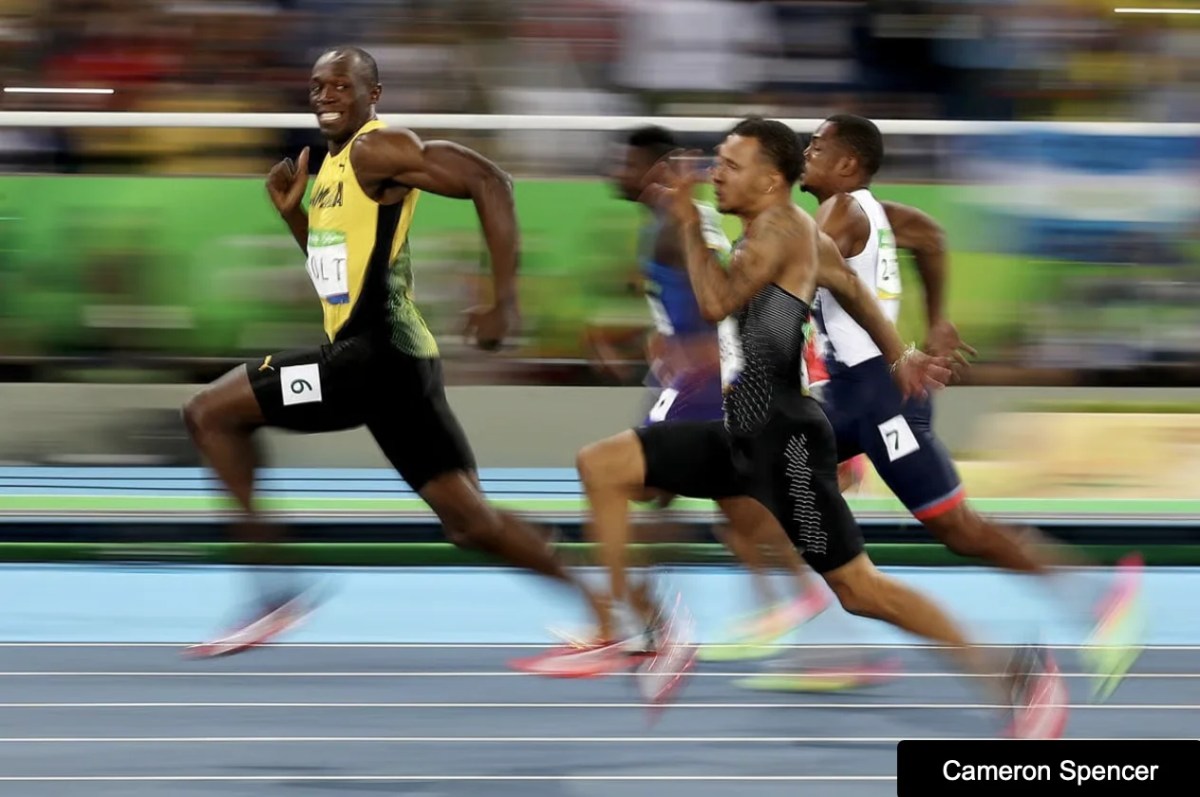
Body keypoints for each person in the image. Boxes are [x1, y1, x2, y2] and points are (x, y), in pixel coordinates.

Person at [519, 117, 1067, 738]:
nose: (715, 173)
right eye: (717, 162)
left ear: (771, 179)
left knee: (862, 592)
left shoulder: (780, 230)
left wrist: (687, 222)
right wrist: (901, 353)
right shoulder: (800, 234)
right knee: (603, 465)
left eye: (730, 164)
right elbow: (856, 295)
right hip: (742, 433)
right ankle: (638, 630)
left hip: (784, 445)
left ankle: (1013, 677)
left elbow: (716, 303)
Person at [180, 46, 608, 657]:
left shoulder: (377, 149)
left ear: (372, 94)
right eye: (316, 86)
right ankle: (608, 615)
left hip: (369, 359)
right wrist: (295, 219)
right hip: (394, 368)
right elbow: (340, 278)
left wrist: (503, 301)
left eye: (341, 86)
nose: (325, 95)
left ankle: (272, 592)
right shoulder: (327, 170)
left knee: (208, 413)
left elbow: (491, 180)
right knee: (470, 523)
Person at [791, 113, 1143, 698]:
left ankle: (1099, 597)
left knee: (959, 529)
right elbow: (931, 236)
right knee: (786, 480)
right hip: (852, 397)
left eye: (817, 145)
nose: (807, 151)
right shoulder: (876, 212)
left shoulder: (840, 214)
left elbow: (790, 280)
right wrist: (939, 322)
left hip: (880, 401)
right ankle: (834, 633)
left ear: (848, 164)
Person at [552, 126, 830, 655]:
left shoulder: (673, 227)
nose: (618, 171)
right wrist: (642, 338)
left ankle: (625, 621)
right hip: (697, 379)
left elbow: (721, 302)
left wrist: (699, 355)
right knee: (724, 506)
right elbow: (685, 304)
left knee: (624, 480)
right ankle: (785, 595)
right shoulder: (668, 224)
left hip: (702, 384)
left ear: (657, 171)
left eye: (627, 163)